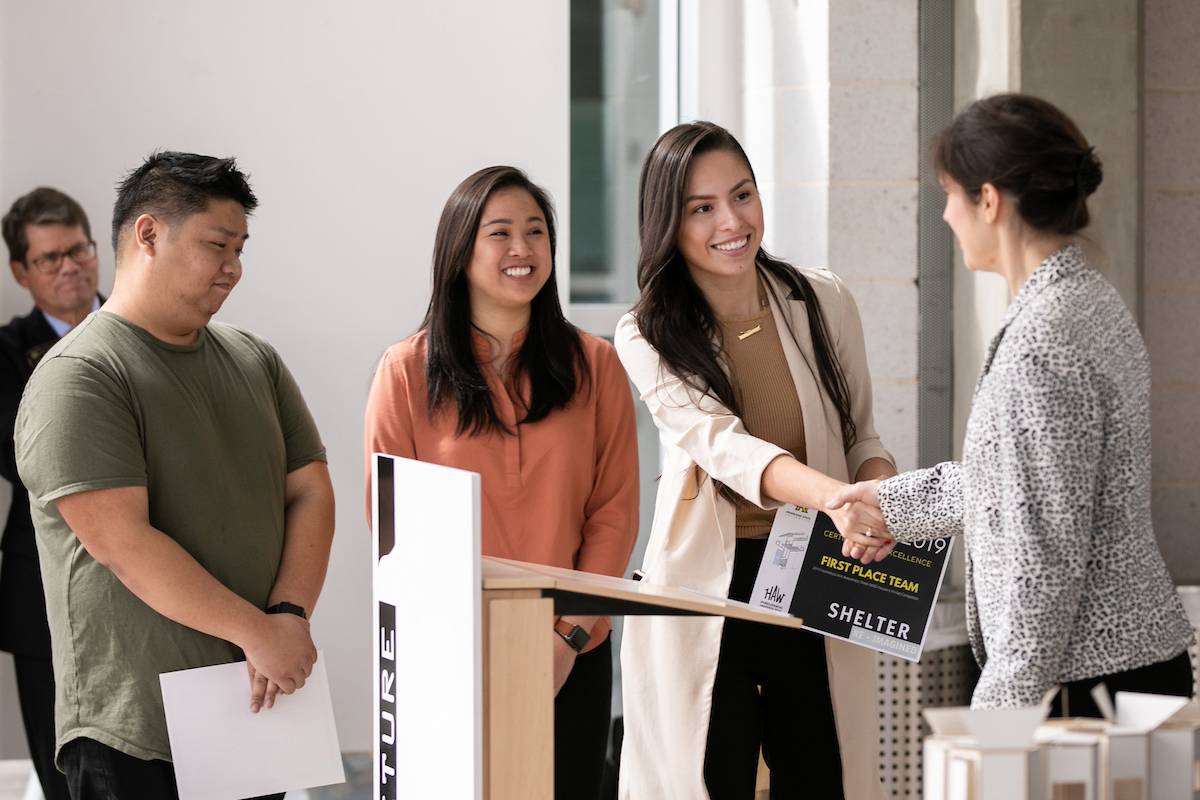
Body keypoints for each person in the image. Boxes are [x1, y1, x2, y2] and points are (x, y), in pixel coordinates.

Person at [834, 93, 1195, 716]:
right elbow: (1023, 483)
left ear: (991, 201)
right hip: (1118, 670)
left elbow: (1045, 558)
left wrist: (996, 722)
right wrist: (891, 506)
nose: (945, 215)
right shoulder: (1087, 300)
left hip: (1088, 684)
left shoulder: (1044, 341)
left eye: (950, 194)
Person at [14, 152, 335, 800]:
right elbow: (124, 545)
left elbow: (309, 488)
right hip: (136, 730)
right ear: (149, 234)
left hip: (252, 704)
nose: (233, 268)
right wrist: (261, 633)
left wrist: (290, 615)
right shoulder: (80, 374)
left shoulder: (254, 359)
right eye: (217, 244)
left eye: (240, 248)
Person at [614, 121, 895, 800]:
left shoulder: (823, 300)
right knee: (711, 778)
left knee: (823, 776)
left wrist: (877, 500)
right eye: (702, 208)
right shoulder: (647, 331)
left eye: (742, 195)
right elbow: (725, 447)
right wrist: (836, 497)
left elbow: (864, 438)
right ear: (668, 223)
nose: (732, 221)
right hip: (709, 588)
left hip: (817, 571)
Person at [363, 165, 639, 799]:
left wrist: (565, 636)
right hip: (449, 653)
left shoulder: (595, 366)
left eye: (537, 232)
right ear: (461, 251)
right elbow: (394, 525)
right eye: (501, 233)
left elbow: (614, 512)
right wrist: (467, 642)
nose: (523, 249)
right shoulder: (406, 371)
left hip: (570, 651)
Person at [1, 187, 101, 800]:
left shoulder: (148, 329)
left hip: (151, 589)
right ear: (21, 271)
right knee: (60, 769)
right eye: (49, 258)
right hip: (42, 587)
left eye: (78, 250)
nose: (69, 267)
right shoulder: (5, 353)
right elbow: (23, 458)